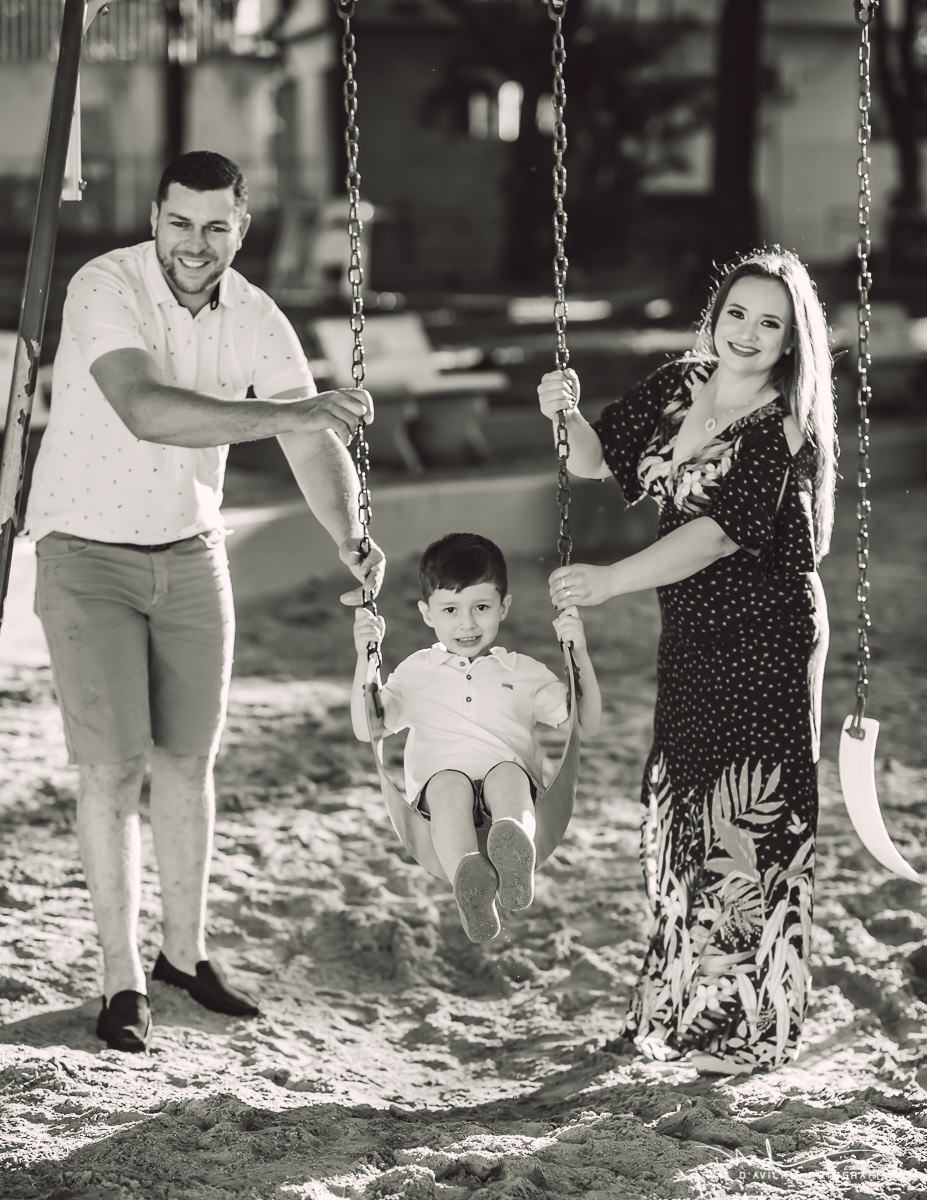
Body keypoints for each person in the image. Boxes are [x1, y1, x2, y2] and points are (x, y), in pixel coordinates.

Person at [23, 150, 385, 1053]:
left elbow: (314, 444)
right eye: (180, 222)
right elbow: (146, 409)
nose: (196, 242)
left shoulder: (255, 315)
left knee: (189, 763)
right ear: (154, 217)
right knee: (113, 771)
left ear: (241, 229)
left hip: (190, 553)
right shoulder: (105, 285)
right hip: (85, 553)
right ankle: (121, 980)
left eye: (216, 226)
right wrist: (293, 414)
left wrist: (348, 532)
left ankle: (184, 956)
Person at [537, 246, 836, 1075]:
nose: (747, 333)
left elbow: (717, 535)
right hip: (695, 634)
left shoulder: (782, 423)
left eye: (769, 323)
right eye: (736, 313)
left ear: (790, 341)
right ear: (715, 315)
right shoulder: (679, 384)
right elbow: (595, 459)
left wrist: (611, 581)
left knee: (749, 820)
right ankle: (677, 1008)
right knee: (685, 810)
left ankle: (744, 1031)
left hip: (767, 636)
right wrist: (563, 413)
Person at [350, 532, 602, 943]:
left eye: (481, 607)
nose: (467, 624)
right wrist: (366, 658)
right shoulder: (416, 673)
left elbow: (584, 725)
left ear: (504, 607)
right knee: (448, 784)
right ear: (427, 614)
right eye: (450, 609)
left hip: (514, 793)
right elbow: (368, 728)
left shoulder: (522, 671)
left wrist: (580, 652)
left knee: (507, 773)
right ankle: (470, 880)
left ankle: (515, 849)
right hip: (439, 806)